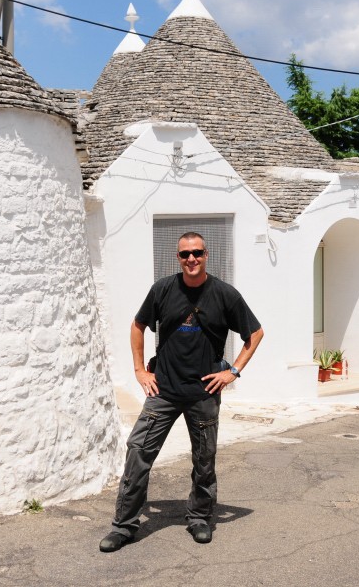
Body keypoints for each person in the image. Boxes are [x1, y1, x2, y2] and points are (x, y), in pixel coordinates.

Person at [99, 232, 264, 552]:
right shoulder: (162, 290)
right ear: (178, 257)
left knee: (204, 459)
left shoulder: (224, 294)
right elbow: (137, 325)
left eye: (197, 253)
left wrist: (233, 371)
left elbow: (255, 333)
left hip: (204, 393)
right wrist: (139, 371)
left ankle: (200, 518)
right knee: (138, 451)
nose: (191, 259)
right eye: (185, 254)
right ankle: (124, 525)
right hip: (163, 390)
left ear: (206, 255)